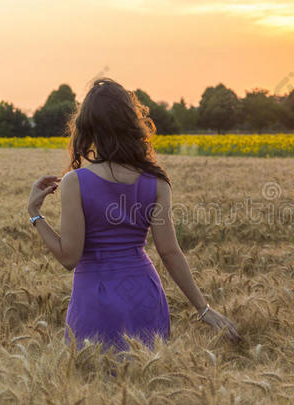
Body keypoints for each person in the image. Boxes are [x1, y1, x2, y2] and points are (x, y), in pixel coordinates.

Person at [26, 77, 242, 356]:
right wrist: (204, 309)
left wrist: (35, 215)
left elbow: (69, 258)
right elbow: (170, 251)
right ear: (132, 124)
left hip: (96, 302)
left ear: (87, 128)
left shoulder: (75, 182)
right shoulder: (157, 182)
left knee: (93, 385)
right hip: (146, 297)